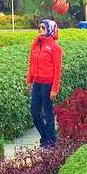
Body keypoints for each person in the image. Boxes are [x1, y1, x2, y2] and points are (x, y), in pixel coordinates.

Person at [26, 18, 62, 147]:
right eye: (39, 27)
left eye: (43, 27)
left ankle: (51, 141)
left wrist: (54, 89)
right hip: (37, 83)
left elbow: (57, 69)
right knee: (35, 113)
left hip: (48, 85)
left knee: (48, 112)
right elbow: (31, 63)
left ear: (51, 29)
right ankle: (45, 136)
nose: (40, 29)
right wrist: (29, 80)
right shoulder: (35, 45)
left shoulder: (54, 47)